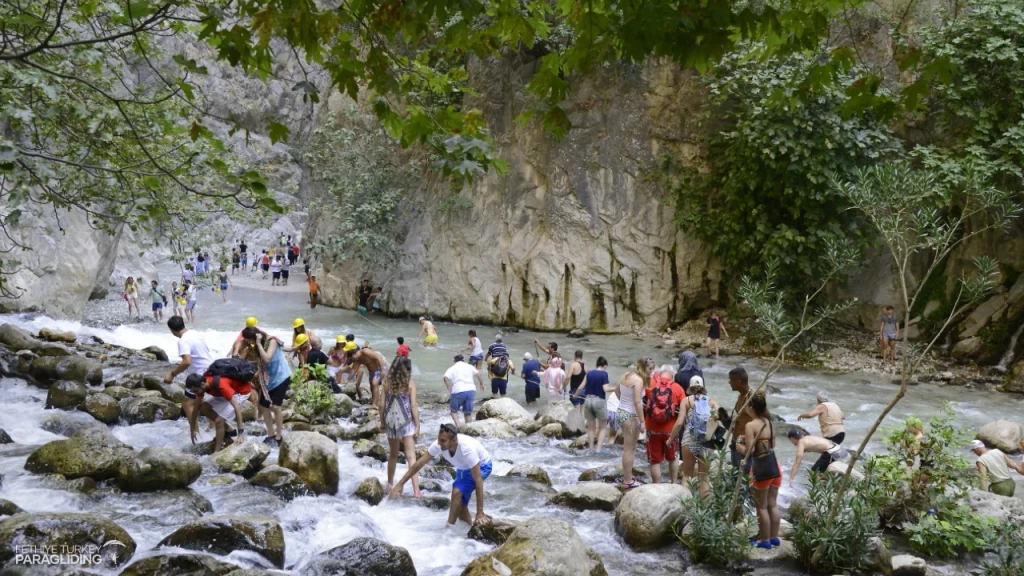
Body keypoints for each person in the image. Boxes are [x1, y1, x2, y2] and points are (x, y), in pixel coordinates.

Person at [389, 423, 492, 526]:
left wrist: (480, 512)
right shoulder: (438, 444)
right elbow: (419, 464)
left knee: (457, 493)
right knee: (460, 505)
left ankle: (448, 529)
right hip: (463, 467)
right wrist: (400, 484)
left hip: (482, 465)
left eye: (443, 441)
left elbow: (478, 480)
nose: (439, 443)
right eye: (438, 439)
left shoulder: (467, 450)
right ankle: (467, 531)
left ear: (454, 440)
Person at [669, 376, 719, 497]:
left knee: (687, 476)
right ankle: (704, 511)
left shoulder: (686, 401)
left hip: (689, 439)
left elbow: (680, 422)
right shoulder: (712, 401)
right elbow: (718, 419)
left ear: (690, 387)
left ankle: (684, 508)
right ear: (703, 387)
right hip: (706, 442)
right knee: (703, 478)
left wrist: (670, 439)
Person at [744, 392, 782, 549]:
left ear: (751, 407)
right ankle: (774, 537)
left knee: (761, 506)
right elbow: (772, 445)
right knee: (772, 504)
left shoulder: (750, 425)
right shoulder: (770, 423)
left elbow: (749, 451)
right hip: (775, 466)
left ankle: (764, 540)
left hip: (761, 468)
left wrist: (739, 446)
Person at [242, 327, 291, 446]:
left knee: (275, 406)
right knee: (263, 405)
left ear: (255, 337)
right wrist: (245, 363)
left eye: (249, 340)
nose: (249, 343)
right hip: (269, 380)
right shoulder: (259, 344)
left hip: (281, 377)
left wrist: (258, 343)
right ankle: (271, 434)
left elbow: (267, 358)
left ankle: (279, 436)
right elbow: (260, 361)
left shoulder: (271, 341)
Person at [164, 315, 214, 430]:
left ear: (172, 330)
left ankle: (195, 431)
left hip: (200, 373)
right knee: (205, 401)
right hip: (211, 368)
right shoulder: (195, 333)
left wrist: (172, 374)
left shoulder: (183, 341)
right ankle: (211, 428)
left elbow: (187, 361)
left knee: (187, 403)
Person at [381, 356, 421, 496]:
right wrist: (417, 425)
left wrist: (382, 422)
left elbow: (382, 405)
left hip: (391, 422)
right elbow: (413, 406)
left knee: (393, 455)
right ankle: (416, 490)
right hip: (406, 422)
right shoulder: (410, 384)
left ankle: (390, 485)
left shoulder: (386, 383)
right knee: (411, 456)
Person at [184, 372, 249, 452]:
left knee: (219, 420)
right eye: (193, 392)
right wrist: (192, 430)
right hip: (223, 394)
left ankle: (217, 452)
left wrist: (240, 433)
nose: (195, 393)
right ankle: (229, 430)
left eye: (196, 391)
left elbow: (237, 407)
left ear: (202, 384)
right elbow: (196, 408)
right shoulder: (201, 387)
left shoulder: (221, 385)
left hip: (240, 393)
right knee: (203, 407)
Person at [645, 364, 684, 484]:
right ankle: (673, 483)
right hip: (670, 431)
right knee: (672, 458)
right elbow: (683, 409)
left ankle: (657, 485)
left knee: (655, 460)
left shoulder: (650, 384)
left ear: (660, 373)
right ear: (672, 375)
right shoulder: (678, 388)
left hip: (652, 429)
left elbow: (641, 401)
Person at [615, 359, 647, 489]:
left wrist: (624, 404)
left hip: (621, 412)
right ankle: (628, 480)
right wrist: (643, 421)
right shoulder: (638, 381)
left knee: (627, 448)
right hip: (631, 416)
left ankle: (628, 476)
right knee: (629, 449)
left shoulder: (626, 375)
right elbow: (637, 402)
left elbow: (617, 392)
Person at [573, 355, 611, 453]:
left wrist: (575, 395)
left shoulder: (589, 373)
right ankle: (598, 450)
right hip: (599, 401)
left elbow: (581, 386)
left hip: (588, 401)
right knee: (603, 427)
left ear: (596, 364)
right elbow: (605, 389)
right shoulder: (604, 374)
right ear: (604, 365)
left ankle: (590, 450)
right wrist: (617, 388)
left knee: (590, 428)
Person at [786, 428, 850, 485]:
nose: (792, 442)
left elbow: (796, 463)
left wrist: (790, 479)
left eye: (791, 440)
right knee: (822, 472)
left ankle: (826, 487)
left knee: (814, 472)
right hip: (840, 450)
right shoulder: (808, 437)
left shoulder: (801, 442)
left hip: (832, 452)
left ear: (792, 438)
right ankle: (830, 485)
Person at [443, 353, 484, 427]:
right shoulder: (469, 366)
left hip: (458, 390)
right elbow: (478, 374)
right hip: (471, 390)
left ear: (454, 360)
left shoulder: (452, 368)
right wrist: (481, 384)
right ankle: (468, 428)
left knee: (453, 411)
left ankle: (458, 426)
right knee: (467, 412)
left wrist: (449, 387)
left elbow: (445, 377)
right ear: (463, 360)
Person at [728, 366, 754, 471]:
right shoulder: (740, 396)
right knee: (735, 477)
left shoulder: (752, 398)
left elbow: (763, 421)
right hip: (735, 443)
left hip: (745, 446)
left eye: (731, 380)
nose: (729, 382)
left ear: (739, 382)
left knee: (744, 480)